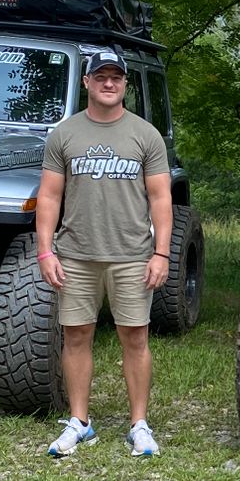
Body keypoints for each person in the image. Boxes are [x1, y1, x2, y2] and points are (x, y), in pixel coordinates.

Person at [35, 48, 174, 458]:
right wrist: (46, 251)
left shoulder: (145, 135)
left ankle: (139, 425)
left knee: (136, 336)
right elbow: (48, 196)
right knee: (76, 335)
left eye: (116, 77)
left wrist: (161, 254)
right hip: (76, 254)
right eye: (101, 77)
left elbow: (161, 199)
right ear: (86, 82)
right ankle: (80, 422)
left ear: (125, 84)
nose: (109, 83)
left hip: (132, 254)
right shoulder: (64, 134)